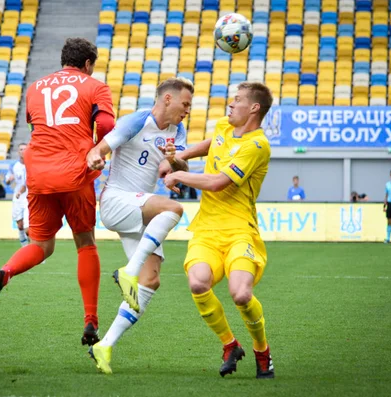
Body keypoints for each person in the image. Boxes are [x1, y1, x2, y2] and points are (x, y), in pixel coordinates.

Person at [0, 37, 116, 345]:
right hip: (75, 172)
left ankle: (6, 272)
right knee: (85, 243)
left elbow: (36, 125)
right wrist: (98, 151)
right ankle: (90, 320)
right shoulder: (95, 86)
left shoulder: (35, 87)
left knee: (41, 245)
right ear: (88, 64)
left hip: (38, 173)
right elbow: (105, 126)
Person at [164, 82, 275, 379]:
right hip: (207, 231)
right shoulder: (226, 126)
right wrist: (181, 155)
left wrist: (179, 173)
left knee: (240, 294)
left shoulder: (257, 146)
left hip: (240, 231)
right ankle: (230, 344)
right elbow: (213, 143)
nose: (230, 104)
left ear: (254, 108)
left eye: (237, 100)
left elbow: (216, 183)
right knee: (198, 283)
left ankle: (262, 351)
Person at [85, 77, 192, 374]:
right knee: (173, 208)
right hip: (117, 201)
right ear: (167, 99)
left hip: (140, 206)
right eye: (185, 104)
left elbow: (179, 167)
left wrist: (174, 161)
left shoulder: (178, 130)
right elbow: (101, 149)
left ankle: (104, 345)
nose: (187, 111)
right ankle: (127, 272)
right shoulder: (136, 121)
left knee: (151, 280)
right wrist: (95, 157)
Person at [6, 143, 29, 246]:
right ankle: (25, 249)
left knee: (28, 228)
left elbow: (27, 183)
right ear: (18, 152)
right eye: (21, 149)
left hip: (30, 197)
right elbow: (7, 180)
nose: (23, 151)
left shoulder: (32, 165)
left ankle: (34, 251)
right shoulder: (14, 166)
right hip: (18, 198)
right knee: (20, 226)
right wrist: (9, 179)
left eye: (25, 149)